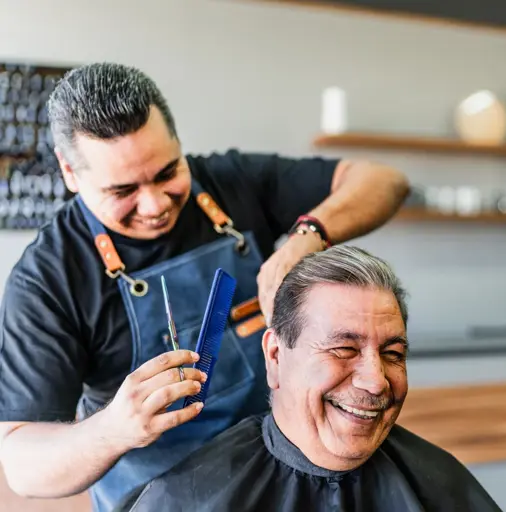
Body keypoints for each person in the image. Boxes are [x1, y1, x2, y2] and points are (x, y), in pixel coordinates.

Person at [0, 62, 409, 511]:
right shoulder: (48, 281)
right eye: (123, 191)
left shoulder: (228, 182)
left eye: (167, 173)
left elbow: (385, 181)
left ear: (177, 143)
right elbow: (23, 466)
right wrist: (114, 428)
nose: (155, 205)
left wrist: (308, 235)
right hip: (164, 500)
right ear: (70, 173)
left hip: (284, 481)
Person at [113, 245, 502, 512]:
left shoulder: (440, 486)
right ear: (276, 357)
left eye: (393, 354)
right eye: (344, 350)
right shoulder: (185, 499)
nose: (376, 381)